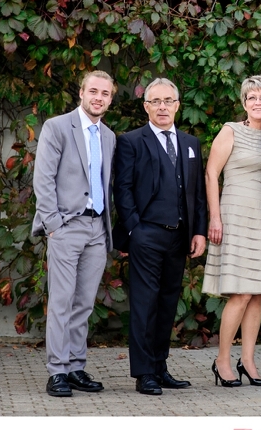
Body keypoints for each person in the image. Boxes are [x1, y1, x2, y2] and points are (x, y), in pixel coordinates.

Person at [113, 77, 208, 396]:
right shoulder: (131, 141)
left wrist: (198, 231)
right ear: (146, 107)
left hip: (180, 236)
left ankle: (159, 365)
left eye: (169, 101)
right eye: (156, 101)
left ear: (178, 105)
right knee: (144, 303)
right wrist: (135, 230)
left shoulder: (191, 143)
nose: (163, 106)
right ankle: (144, 373)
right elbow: (122, 190)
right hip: (146, 235)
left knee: (168, 303)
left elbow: (196, 193)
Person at [32, 70, 116, 397]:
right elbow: (44, 178)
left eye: (105, 93)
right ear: (81, 92)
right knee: (62, 301)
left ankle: (76, 366)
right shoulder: (57, 127)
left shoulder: (108, 136)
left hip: (98, 228)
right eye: (93, 91)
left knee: (84, 303)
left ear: (110, 99)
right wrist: (53, 225)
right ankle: (57, 372)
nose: (98, 97)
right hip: (66, 226)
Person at [203, 75, 261, 388]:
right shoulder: (231, 130)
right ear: (243, 102)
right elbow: (211, 174)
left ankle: (248, 360)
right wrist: (215, 217)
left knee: (257, 295)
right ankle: (222, 360)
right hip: (235, 214)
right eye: (252, 97)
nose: (258, 103)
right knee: (240, 292)